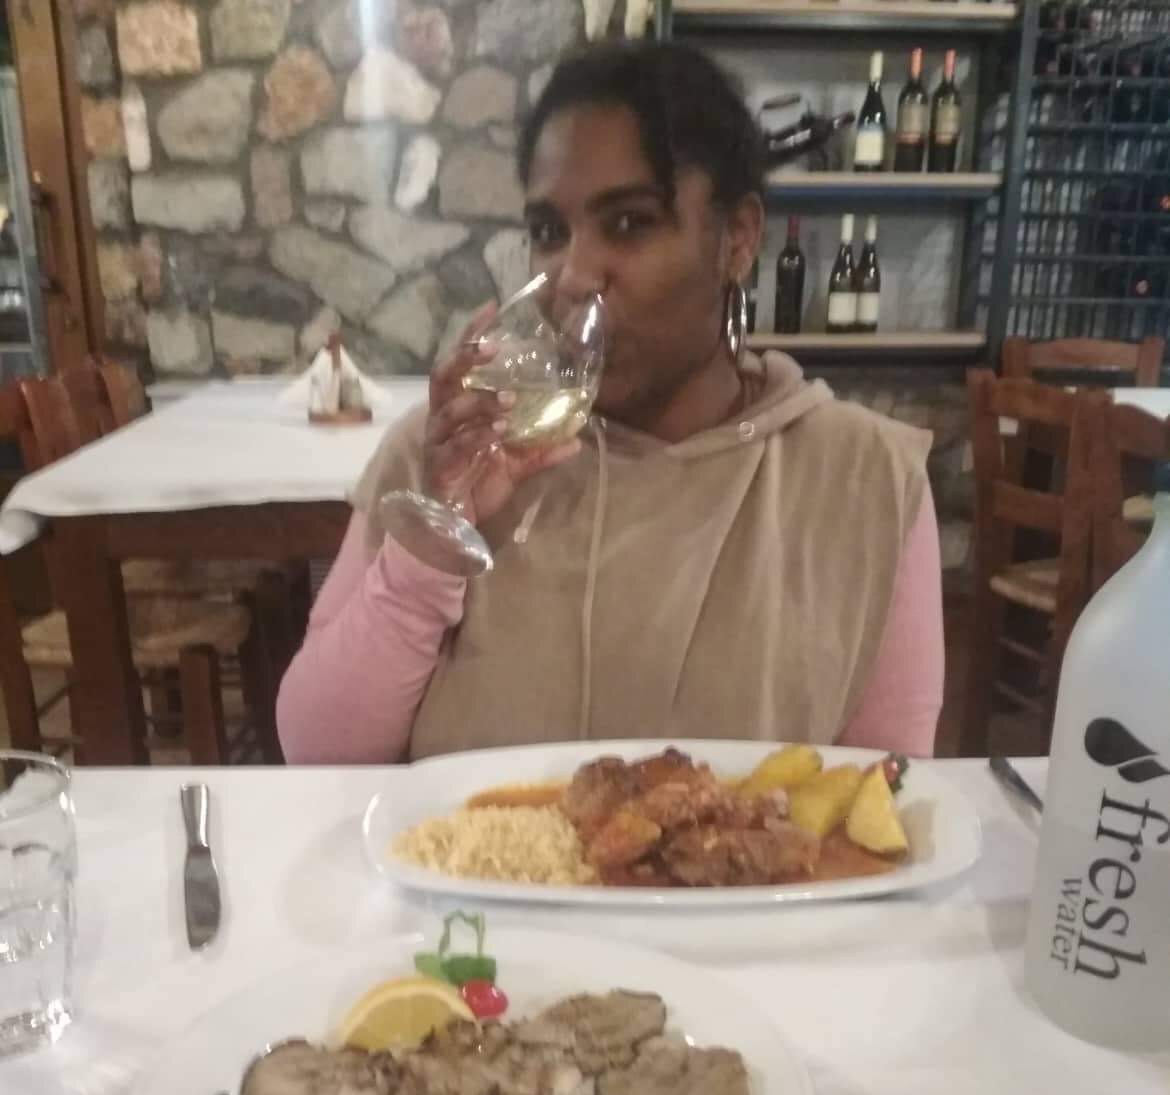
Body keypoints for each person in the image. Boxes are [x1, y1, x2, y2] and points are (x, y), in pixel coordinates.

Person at [277, 39, 944, 765]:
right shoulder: (451, 453)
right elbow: (317, 753)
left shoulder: (863, 479)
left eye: (629, 222)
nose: (573, 274)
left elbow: (886, 794)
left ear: (738, 239)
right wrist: (431, 549)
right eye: (548, 232)